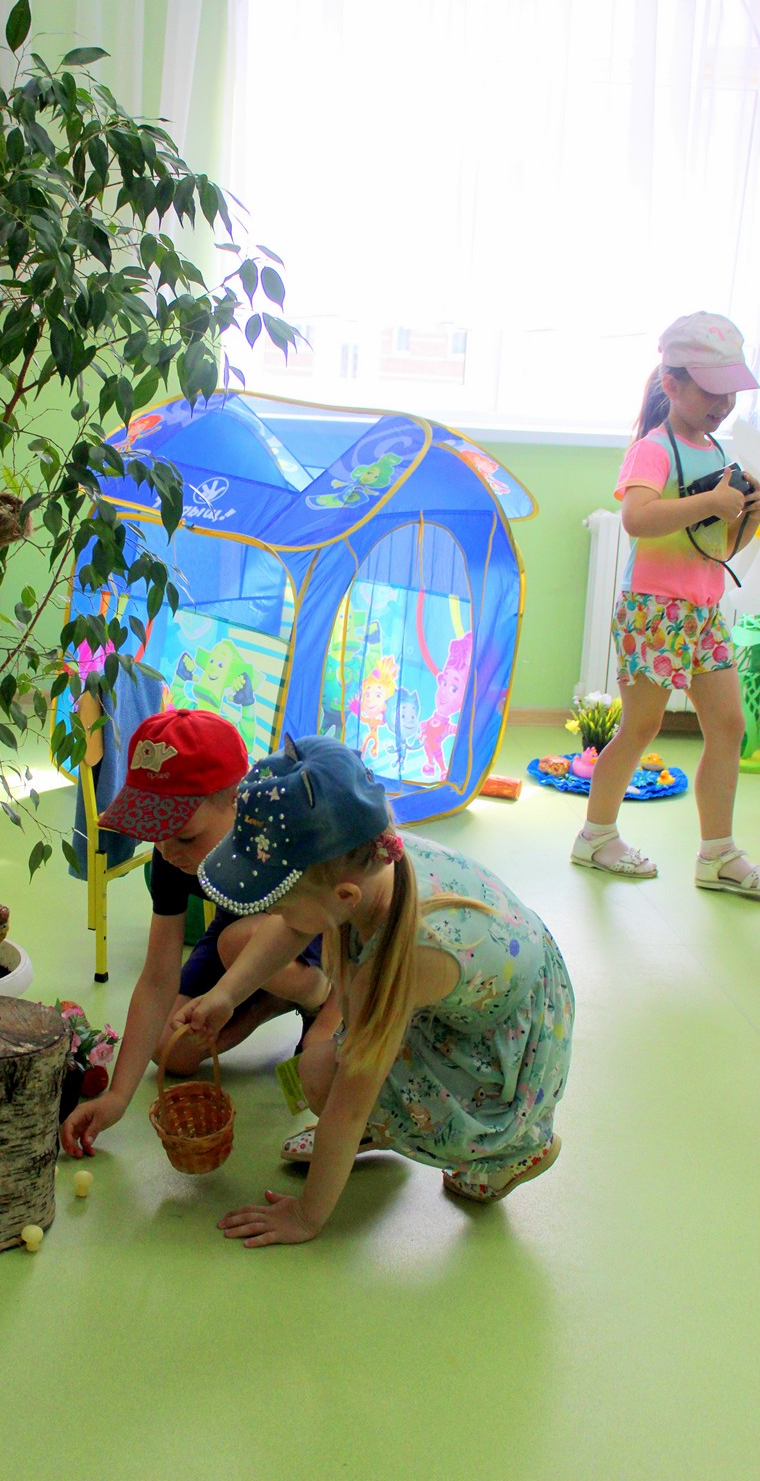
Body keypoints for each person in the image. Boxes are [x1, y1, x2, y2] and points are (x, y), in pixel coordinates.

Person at [178, 736, 574, 1247]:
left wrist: (306, 1217)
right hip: (482, 989)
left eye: (277, 903)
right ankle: (383, 1124)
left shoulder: (401, 956)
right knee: (324, 1066)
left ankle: (511, 1152)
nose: (272, 915)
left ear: (344, 897)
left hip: (502, 1048)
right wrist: (227, 995)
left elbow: (347, 1106)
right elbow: (295, 925)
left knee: (323, 1077)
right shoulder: (371, 863)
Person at [59, 707, 336, 1158]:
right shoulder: (170, 854)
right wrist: (118, 1097)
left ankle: (313, 995)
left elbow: (344, 930)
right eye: (156, 834)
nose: (167, 851)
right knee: (173, 1049)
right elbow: (157, 978)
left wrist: (324, 1019)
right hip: (240, 941)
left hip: (321, 948)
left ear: (238, 801)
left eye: (184, 836)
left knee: (236, 944)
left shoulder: (280, 838)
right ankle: (272, 998)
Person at [570, 310, 760, 894]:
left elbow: (718, 547)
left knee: (727, 727)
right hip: (653, 609)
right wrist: (713, 503)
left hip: (702, 610)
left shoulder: (718, 452)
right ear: (671, 384)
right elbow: (637, 518)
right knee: (642, 726)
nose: (723, 403)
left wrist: (748, 516)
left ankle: (718, 854)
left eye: (730, 390)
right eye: (711, 389)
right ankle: (596, 836)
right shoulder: (653, 449)